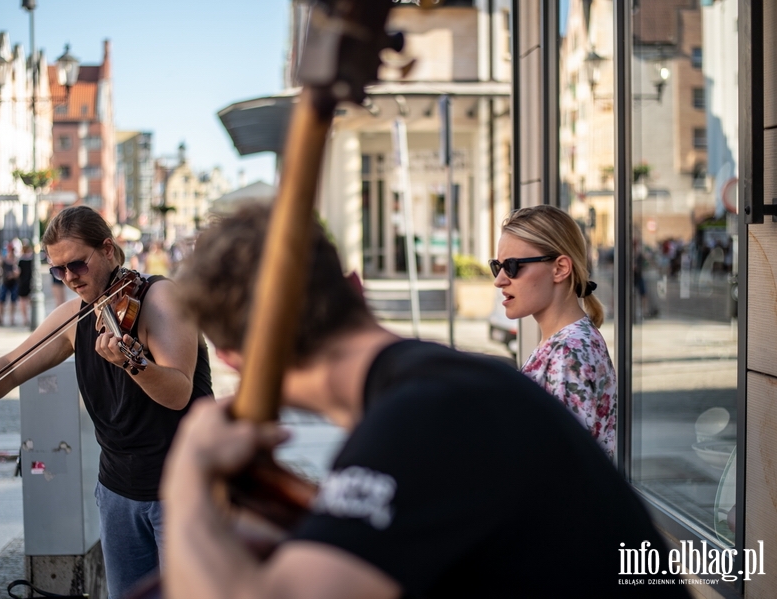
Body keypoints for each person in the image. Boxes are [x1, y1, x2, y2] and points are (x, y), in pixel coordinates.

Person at [159, 203, 689, 598]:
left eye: (514, 266)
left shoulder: (418, 419)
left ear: (231, 358)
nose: (501, 277)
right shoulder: (453, 385)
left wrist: (186, 477)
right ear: (355, 287)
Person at [0, 205, 213, 599]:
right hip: (118, 488)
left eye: (77, 265)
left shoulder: (162, 299)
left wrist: (133, 363)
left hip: (182, 489)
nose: (68, 278)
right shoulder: (76, 316)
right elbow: (13, 364)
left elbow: (178, 392)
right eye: (57, 270)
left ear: (109, 250)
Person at [493, 205, 616, 459]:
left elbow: (562, 469)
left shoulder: (568, 353)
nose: (500, 280)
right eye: (498, 266)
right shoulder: (568, 342)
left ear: (560, 268)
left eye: (513, 266)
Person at [0, 246, 19, 326]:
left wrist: (13, 275)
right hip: (4, 283)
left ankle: (12, 318)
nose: (11, 253)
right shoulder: (3, 260)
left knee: (13, 301)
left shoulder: (15, 261)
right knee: (1, 301)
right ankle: (0, 317)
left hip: (13, 283)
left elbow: (17, 273)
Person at [17, 241, 34, 326]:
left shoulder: (21, 260)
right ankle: (31, 317)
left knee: (23, 301)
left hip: (23, 283)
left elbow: (18, 272)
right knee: (31, 301)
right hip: (31, 283)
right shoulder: (32, 259)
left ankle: (25, 318)